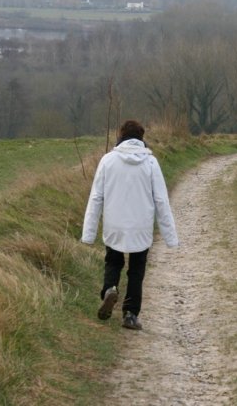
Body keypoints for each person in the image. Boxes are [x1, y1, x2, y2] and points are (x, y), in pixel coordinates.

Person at [81, 120, 178, 330]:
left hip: (114, 224)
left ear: (120, 136)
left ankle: (109, 289)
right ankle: (130, 314)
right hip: (141, 226)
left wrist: (88, 234)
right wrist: (171, 238)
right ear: (141, 138)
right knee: (136, 269)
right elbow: (161, 200)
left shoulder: (108, 161)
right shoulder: (151, 163)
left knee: (113, 262)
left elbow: (96, 197)